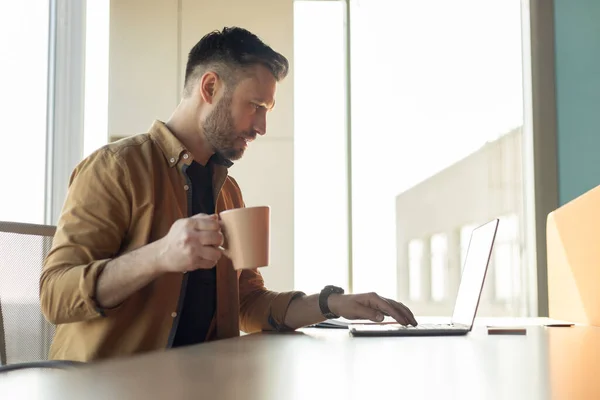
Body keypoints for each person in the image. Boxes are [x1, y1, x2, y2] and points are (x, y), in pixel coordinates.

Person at [40, 26, 417, 362]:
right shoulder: (116, 168)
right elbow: (54, 296)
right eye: (255, 106)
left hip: (205, 382)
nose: (262, 126)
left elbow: (248, 304)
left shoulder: (228, 190)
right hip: (113, 388)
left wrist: (331, 303)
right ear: (210, 87)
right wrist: (160, 256)